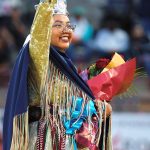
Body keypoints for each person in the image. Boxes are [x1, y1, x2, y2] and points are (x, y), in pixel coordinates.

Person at [3, 0, 112, 150]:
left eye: (69, 25)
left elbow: (71, 108)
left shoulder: (67, 66)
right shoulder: (38, 58)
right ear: (44, 28)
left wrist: (98, 108)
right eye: (58, 25)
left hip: (67, 142)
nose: (66, 30)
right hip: (45, 141)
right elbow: (38, 34)